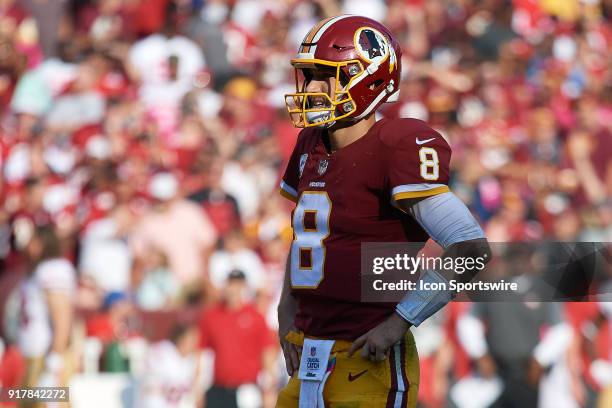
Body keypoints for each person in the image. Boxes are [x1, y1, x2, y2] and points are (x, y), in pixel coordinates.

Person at [276, 15, 490, 408]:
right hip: (307, 357)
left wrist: (398, 324)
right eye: (309, 75)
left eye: (327, 75)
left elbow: (470, 248)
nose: (313, 88)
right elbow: (307, 240)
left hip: (366, 360)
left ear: (369, 78)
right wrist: (284, 315)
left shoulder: (397, 143)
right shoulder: (309, 143)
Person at [199, 269, 277, 408]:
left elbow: (267, 353)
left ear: (244, 287)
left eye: (238, 284)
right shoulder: (211, 316)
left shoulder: (255, 317)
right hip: (218, 388)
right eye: (231, 284)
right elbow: (203, 354)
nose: (234, 289)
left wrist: (268, 388)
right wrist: (198, 389)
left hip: (246, 389)